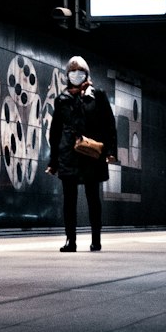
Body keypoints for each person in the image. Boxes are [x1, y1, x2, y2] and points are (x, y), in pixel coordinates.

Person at [47, 55, 118, 252]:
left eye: (80, 72)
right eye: (72, 72)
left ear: (87, 74)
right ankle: (71, 240)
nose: (76, 76)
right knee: (69, 199)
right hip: (68, 154)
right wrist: (53, 161)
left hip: (91, 154)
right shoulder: (62, 100)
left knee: (92, 197)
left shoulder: (98, 96)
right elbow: (55, 132)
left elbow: (109, 125)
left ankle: (96, 238)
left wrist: (110, 151)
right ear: (67, 75)